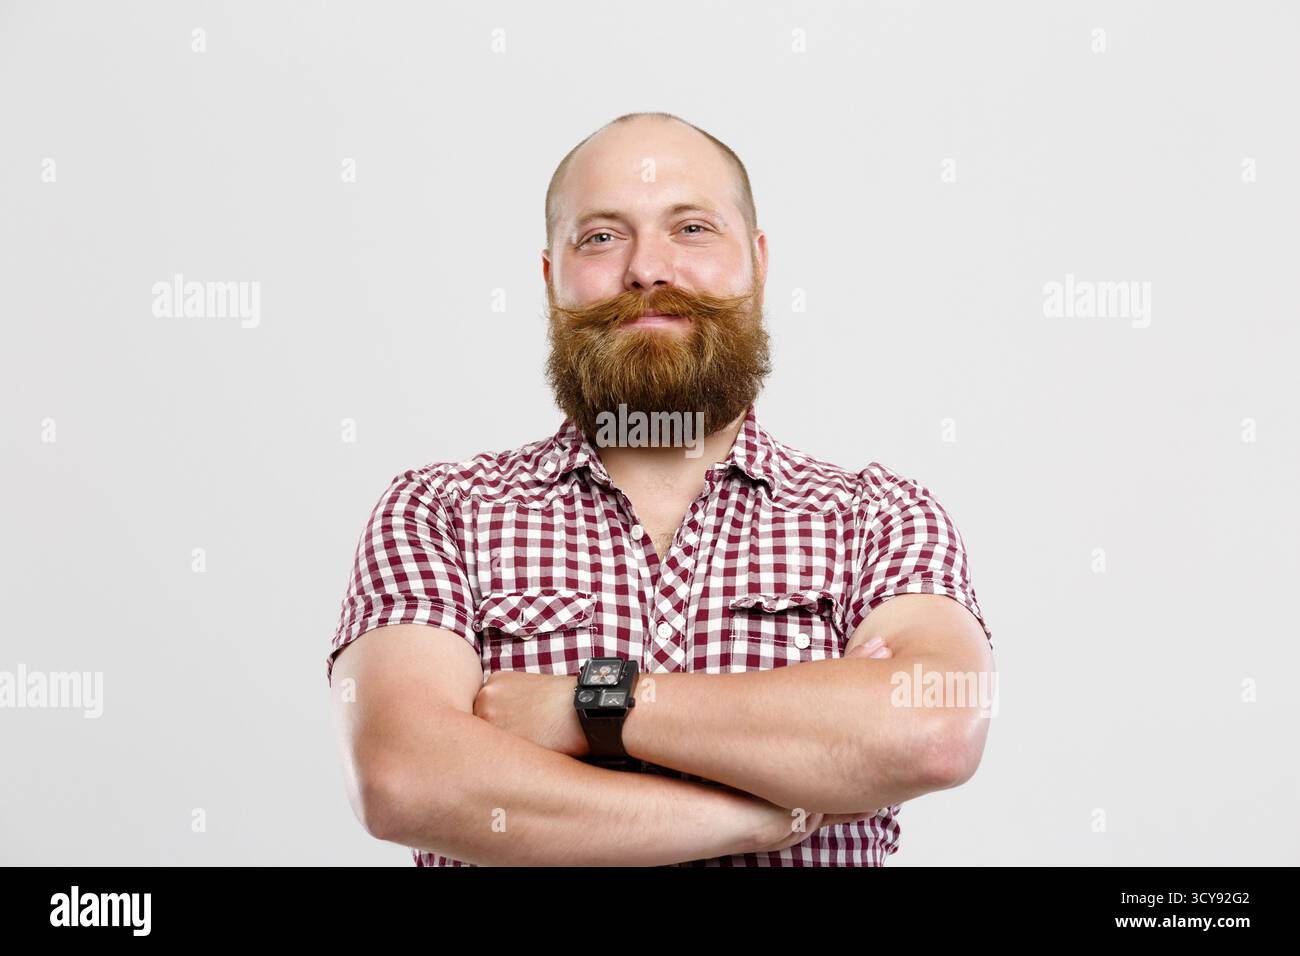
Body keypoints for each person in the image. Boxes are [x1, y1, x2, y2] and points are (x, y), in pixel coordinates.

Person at [327, 112, 996, 866]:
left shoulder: (878, 519)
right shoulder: (439, 513)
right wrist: (751, 817)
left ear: (758, 261)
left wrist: (588, 703)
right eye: (602, 237)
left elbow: (936, 728)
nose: (648, 269)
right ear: (551, 279)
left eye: (692, 229)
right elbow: (405, 778)